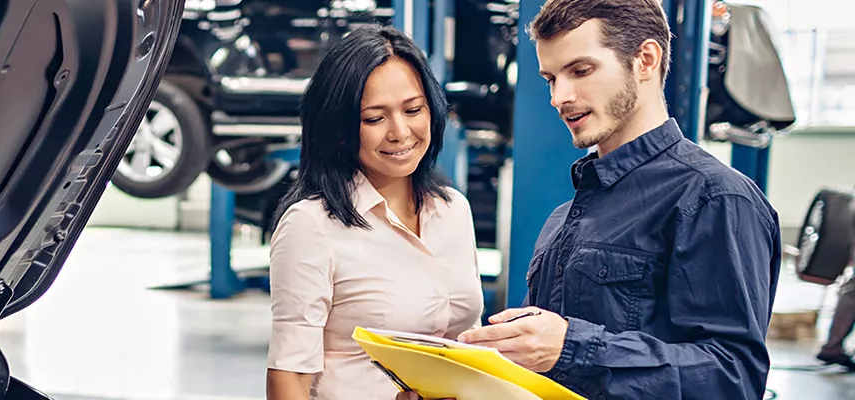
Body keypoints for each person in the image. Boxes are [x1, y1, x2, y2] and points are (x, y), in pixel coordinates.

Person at [455, 0, 782, 399]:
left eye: (580, 70)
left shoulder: (714, 198)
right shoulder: (564, 217)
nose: (560, 97)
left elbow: (733, 378)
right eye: (550, 79)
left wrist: (571, 347)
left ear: (645, 59)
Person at [265, 25, 480, 400]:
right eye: (374, 119)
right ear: (342, 129)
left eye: (413, 110)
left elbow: (464, 348)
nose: (400, 132)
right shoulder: (311, 225)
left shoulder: (453, 211)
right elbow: (289, 379)